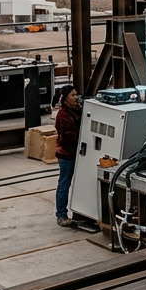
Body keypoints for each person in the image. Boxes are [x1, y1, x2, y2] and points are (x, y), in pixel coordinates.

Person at [53, 85, 81, 228]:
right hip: (67, 155)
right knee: (64, 184)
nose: (76, 98)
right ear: (65, 99)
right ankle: (61, 215)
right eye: (72, 95)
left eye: (76, 95)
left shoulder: (75, 111)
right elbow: (67, 138)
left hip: (77, 153)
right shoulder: (64, 115)